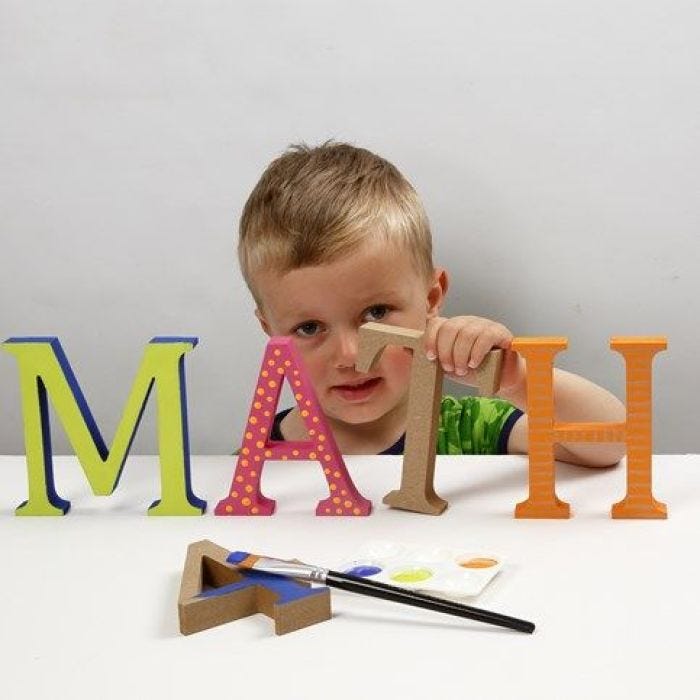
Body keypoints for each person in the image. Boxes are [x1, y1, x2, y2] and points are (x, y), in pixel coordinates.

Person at [237, 141, 625, 466]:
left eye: (376, 313)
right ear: (270, 331)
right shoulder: (259, 461)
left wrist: (517, 380)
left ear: (431, 298)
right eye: (309, 328)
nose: (353, 355)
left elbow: (613, 443)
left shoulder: (465, 429)